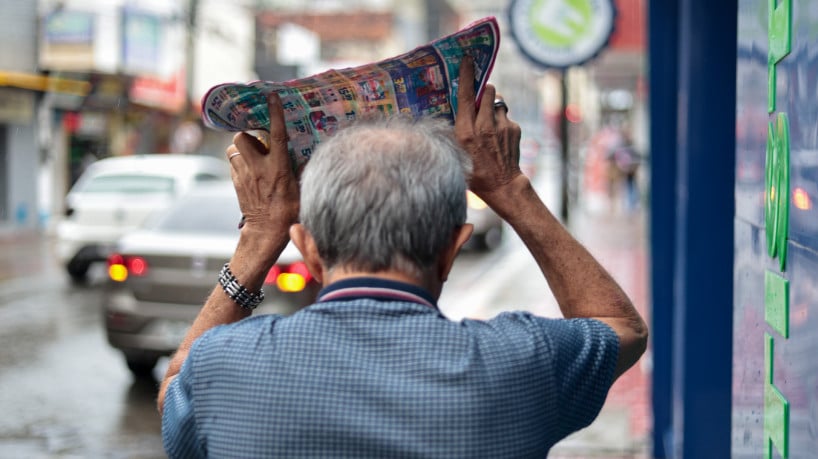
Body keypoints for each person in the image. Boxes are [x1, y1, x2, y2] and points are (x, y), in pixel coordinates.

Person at [159, 59, 648, 458]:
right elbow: (621, 327)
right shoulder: (520, 361)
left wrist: (260, 237)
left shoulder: (225, 364)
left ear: (308, 249)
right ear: (452, 250)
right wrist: (508, 187)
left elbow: (175, 402)